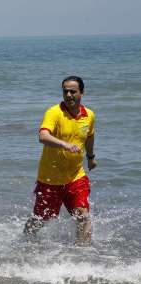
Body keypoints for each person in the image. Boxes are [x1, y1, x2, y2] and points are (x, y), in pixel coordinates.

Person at [23, 76, 97, 245]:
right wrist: (64, 145)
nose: (69, 95)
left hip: (75, 176)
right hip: (50, 178)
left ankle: (83, 253)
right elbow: (43, 136)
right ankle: (25, 242)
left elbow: (90, 137)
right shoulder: (54, 112)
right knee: (40, 220)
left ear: (82, 92)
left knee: (82, 216)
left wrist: (91, 158)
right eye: (66, 91)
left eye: (73, 91)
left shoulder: (89, 115)